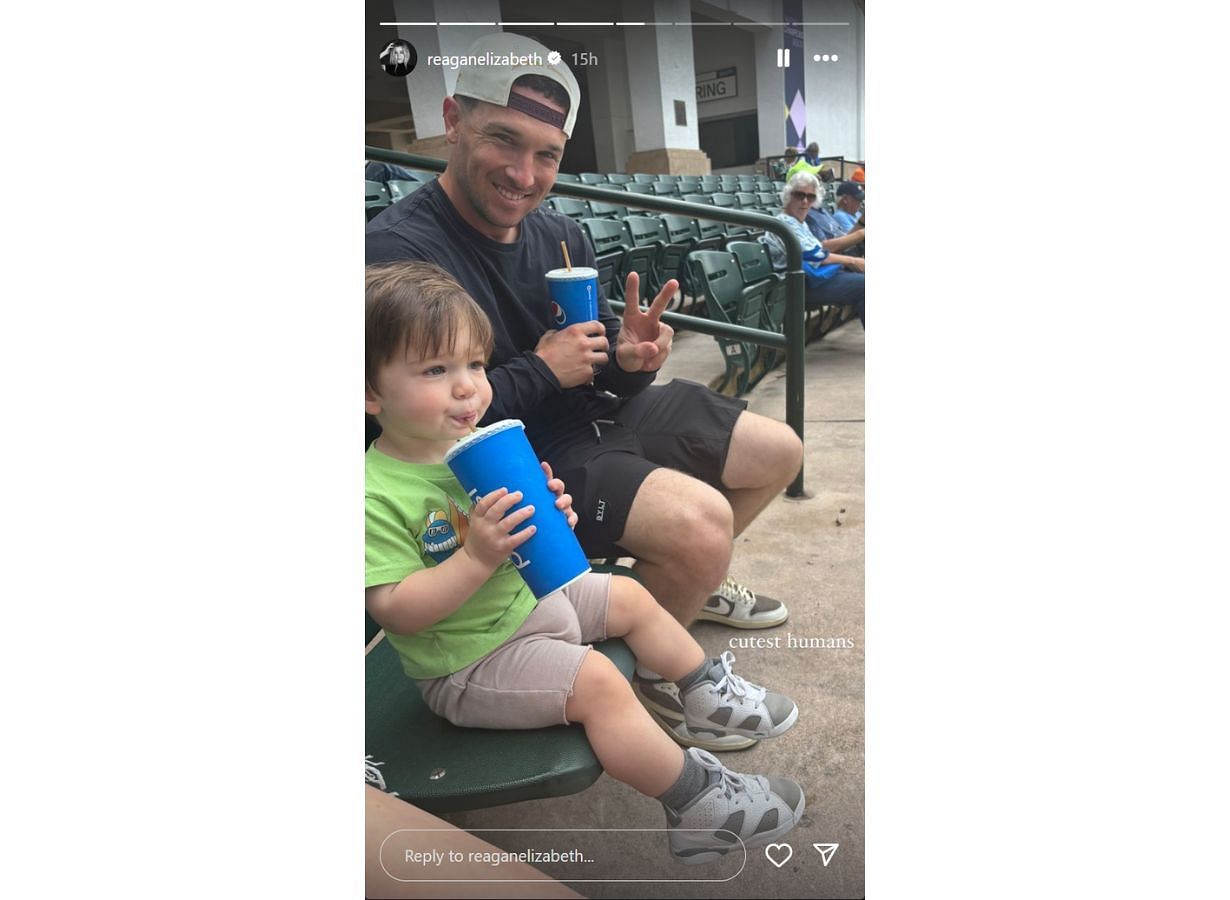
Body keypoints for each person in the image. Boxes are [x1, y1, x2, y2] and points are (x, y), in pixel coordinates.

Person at [366, 32, 806, 745]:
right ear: (451, 120)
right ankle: (651, 686)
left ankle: (686, 584)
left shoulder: (564, 234)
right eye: (503, 140)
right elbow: (417, 427)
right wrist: (542, 369)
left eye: (548, 154)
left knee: (778, 449)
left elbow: (602, 375)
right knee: (700, 524)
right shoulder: (398, 254)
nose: (524, 173)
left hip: (591, 415)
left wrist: (631, 360)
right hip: (516, 457)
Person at [364, 261, 805, 862]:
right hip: (469, 660)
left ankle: (704, 692)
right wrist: (477, 555)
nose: (468, 386)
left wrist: (550, 516)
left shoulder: (467, 449)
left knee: (626, 594)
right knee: (597, 683)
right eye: (436, 370)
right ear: (368, 392)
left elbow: (515, 539)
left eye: (474, 364)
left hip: (526, 602)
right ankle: (698, 805)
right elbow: (397, 611)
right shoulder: (373, 494)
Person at [761, 170, 865, 327]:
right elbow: (816, 256)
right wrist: (853, 261)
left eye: (810, 197)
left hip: (812, 279)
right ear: (789, 195)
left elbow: (818, 252)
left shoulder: (799, 222)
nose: (805, 201)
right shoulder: (785, 223)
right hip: (799, 285)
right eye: (799, 195)